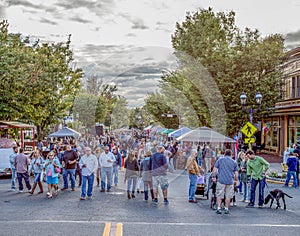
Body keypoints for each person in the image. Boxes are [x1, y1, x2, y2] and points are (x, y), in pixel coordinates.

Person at [212, 149, 238, 214]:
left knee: (219, 195)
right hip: (230, 181)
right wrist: (235, 180)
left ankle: (219, 208)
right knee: (228, 195)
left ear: (224, 154)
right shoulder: (234, 162)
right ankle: (226, 208)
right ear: (231, 155)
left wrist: (214, 177)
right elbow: (236, 173)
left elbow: (214, 169)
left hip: (221, 180)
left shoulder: (220, 160)